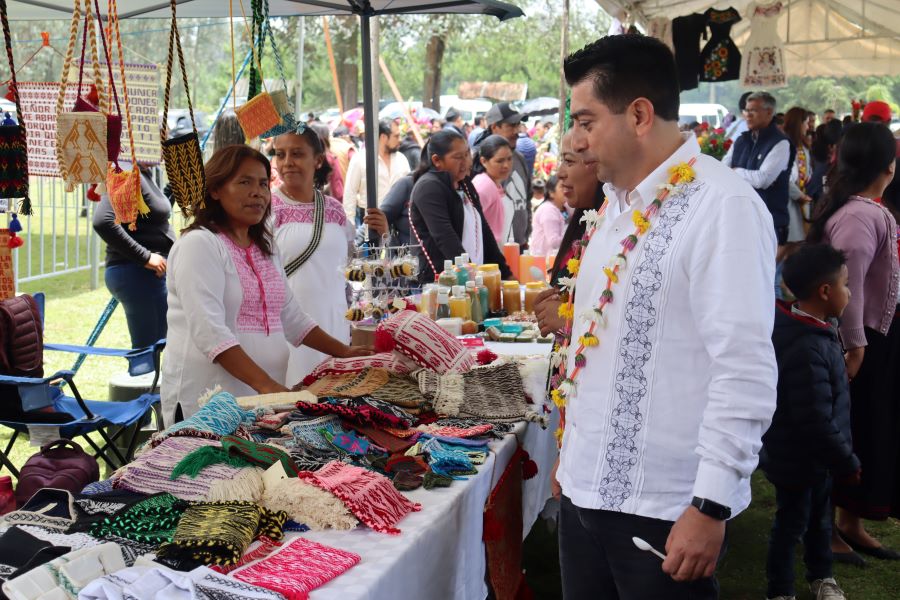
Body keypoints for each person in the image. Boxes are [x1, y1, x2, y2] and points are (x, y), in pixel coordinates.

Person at [554, 35, 777, 598]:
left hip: (665, 507)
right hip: (584, 492)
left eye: (585, 122)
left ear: (638, 115)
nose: (574, 141)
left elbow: (743, 369)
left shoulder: (723, 206)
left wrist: (710, 503)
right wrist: (570, 458)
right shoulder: (615, 205)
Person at [161, 145, 371, 425]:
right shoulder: (199, 244)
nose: (258, 192)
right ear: (215, 190)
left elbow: (292, 317)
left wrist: (344, 352)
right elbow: (210, 333)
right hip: (208, 400)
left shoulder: (265, 247)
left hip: (261, 401)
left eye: (262, 183)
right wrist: (269, 387)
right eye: (244, 182)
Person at [807, 122, 900, 565]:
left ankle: (850, 521)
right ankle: (827, 530)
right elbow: (850, 285)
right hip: (861, 341)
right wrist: (856, 344)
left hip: (871, 337)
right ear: (888, 166)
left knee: (865, 429)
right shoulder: (861, 214)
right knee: (847, 432)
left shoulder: (864, 208)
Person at [761, 244, 857, 600]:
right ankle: (781, 590)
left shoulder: (821, 330)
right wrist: (845, 460)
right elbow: (813, 417)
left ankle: (822, 578)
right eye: (846, 285)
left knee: (820, 521)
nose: (850, 292)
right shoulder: (805, 347)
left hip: (820, 459)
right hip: (799, 459)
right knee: (792, 525)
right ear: (825, 291)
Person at [269, 126, 358, 386]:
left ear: (317, 160)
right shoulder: (267, 209)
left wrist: (382, 230)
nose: (287, 162)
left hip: (335, 321)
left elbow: (349, 266)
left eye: (297, 153)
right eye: (280, 154)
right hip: (288, 329)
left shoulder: (335, 210)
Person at [408, 129, 511, 284]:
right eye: (458, 157)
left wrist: (505, 273)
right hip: (439, 284)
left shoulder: (465, 184)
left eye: (467, 154)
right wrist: (470, 278)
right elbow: (445, 238)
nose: (466, 161)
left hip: (469, 280)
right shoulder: (428, 187)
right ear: (437, 160)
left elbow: (485, 231)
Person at [92, 166, 173, 349]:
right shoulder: (126, 170)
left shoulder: (144, 172)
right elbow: (102, 221)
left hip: (144, 275)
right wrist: (145, 257)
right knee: (148, 351)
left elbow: (152, 215)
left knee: (155, 346)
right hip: (138, 274)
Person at [723, 91, 796, 248]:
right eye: (746, 110)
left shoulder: (780, 143)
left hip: (769, 221)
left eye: (753, 111)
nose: (748, 115)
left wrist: (735, 172)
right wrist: (742, 174)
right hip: (740, 219)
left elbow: (763, 180)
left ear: (769, 112)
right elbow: (723, 170)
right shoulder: (741, 140)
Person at [481, 102, 533, 248]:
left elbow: (527, 198)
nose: (516, 131)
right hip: (494, 250)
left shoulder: (519, 158)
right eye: (510, 126)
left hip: (520, 246)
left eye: (518, 125)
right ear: (494, 127)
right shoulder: (480, 164)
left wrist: (525, 235)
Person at [342, 119, 410, 224]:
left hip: (399, 223)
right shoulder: (360, 159)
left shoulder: (401, 159)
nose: (400, 140)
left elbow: (409, 190)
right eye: (396, 136)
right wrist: (350, 224)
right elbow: (350, 194)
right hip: (370, 223)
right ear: (383, 137)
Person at [471, 134, 515, 245]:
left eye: (509, 159)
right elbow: (470, 225)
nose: (506, 165)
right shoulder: (483, 186)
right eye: (500, 161)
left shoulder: (495, 184)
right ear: (483, 161)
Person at [784, 107, 813, 242]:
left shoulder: (802, 146)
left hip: (802, 197)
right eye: (806, 123)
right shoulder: (784, 145)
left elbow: (807, 169)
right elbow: (784, 177)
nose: (808, 126)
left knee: (799, 242)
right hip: (789, 201)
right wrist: (799, 195)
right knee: (789, 243)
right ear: (798, 124)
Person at [528, 175, 566, 257]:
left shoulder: (555, 208)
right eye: (562, 187)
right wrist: (573, 238)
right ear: (551, 193)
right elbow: (554, 242)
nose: (566, 190)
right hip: (544, 261)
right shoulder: (549, 210)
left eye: (567, 186)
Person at [308, 122, 344, 201]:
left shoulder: (303, 158)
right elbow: (338, 190)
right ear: (326, 136)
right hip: (325, 203)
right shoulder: (331, 158)